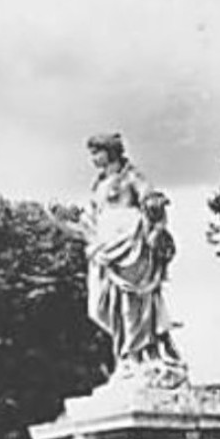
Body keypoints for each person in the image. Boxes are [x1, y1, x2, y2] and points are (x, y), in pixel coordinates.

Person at [82, 133, 181, 371]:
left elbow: (150, 199)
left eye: (97, 152)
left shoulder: (131, 176)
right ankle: (129, 354)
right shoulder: (98, 185)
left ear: (111, 151)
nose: (93, 158)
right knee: (99, 307)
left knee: (132, 303)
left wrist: (156, 223)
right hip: (106, 247)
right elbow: (89, 221)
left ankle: (136, 355)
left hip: (132, 243)